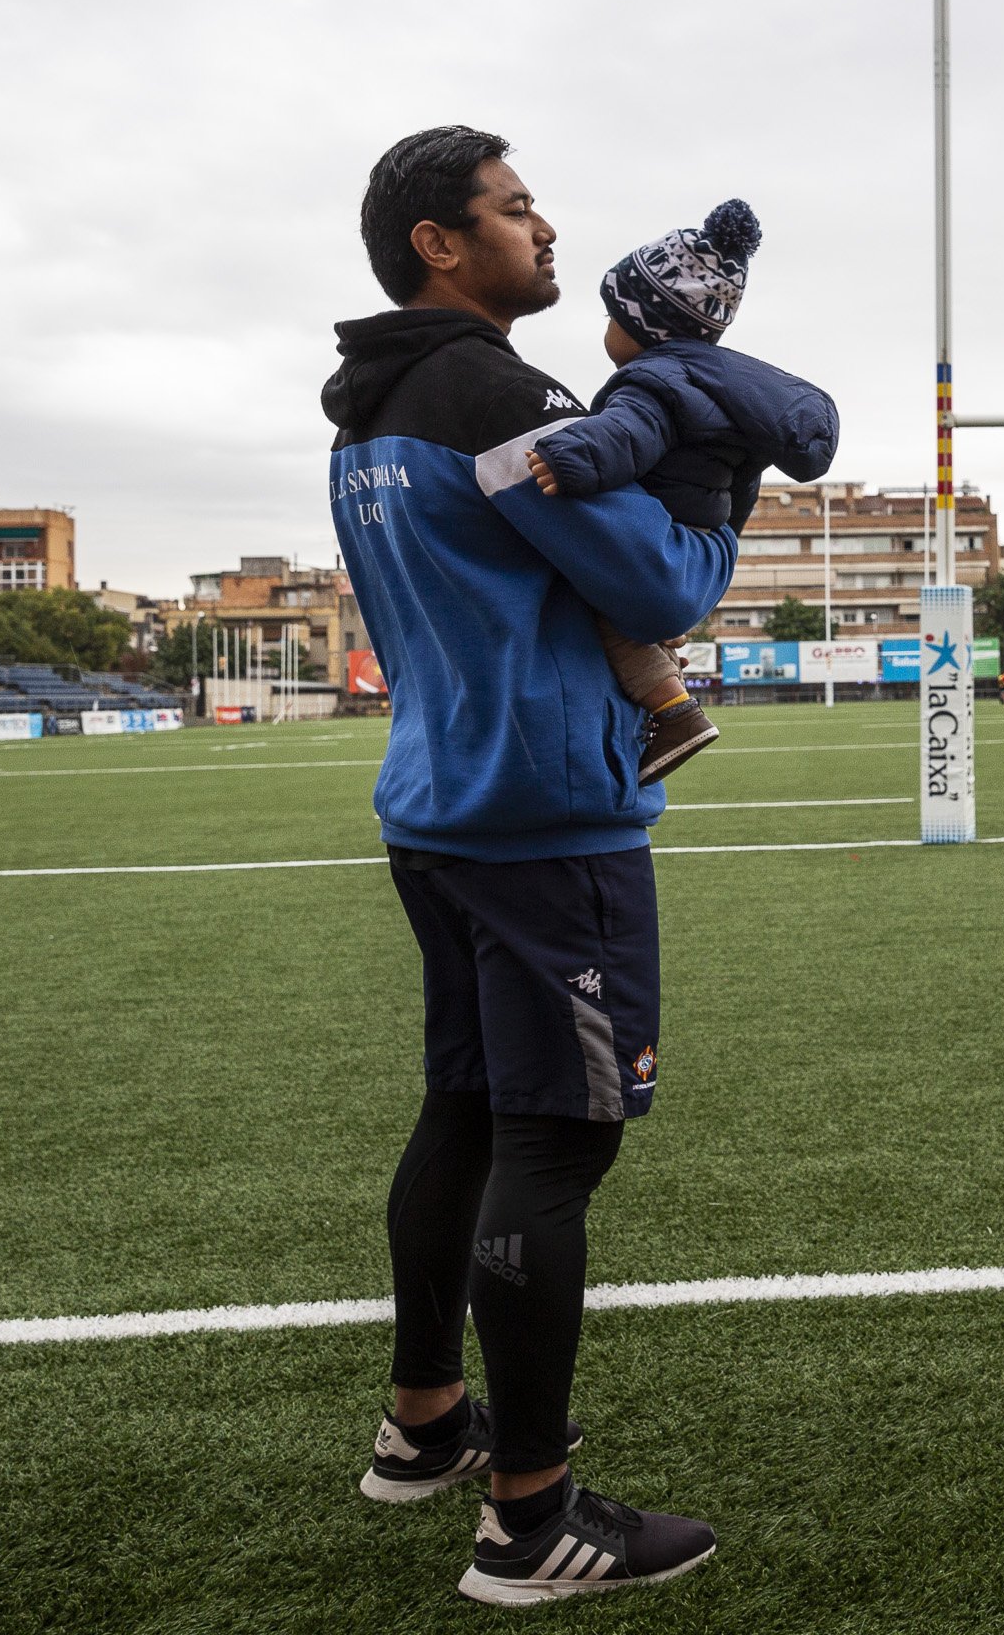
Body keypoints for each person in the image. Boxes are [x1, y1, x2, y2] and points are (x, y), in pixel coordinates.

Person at [324, 125, 735, 1605]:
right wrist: (711, 476)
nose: (546, 227)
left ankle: (426, 1425)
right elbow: (660, 581)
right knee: (557, 1145)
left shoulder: (365, 405)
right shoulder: (500, 392)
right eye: (514, 208)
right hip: (547, 818)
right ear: (441, 243)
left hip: (435, 805)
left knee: (463, 1114)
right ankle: (530, 1519)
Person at [523, 200, 839, 781]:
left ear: (647, 328)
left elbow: (627, 435)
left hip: (659, 524)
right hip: (692, 529)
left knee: (609, 626)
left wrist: (569, 457)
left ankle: (675, 713)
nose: (606, 333)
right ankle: (666, 681)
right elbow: (741, 490)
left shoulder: (653, 383)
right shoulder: (721, 394)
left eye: (612, 319)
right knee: (641, 627)